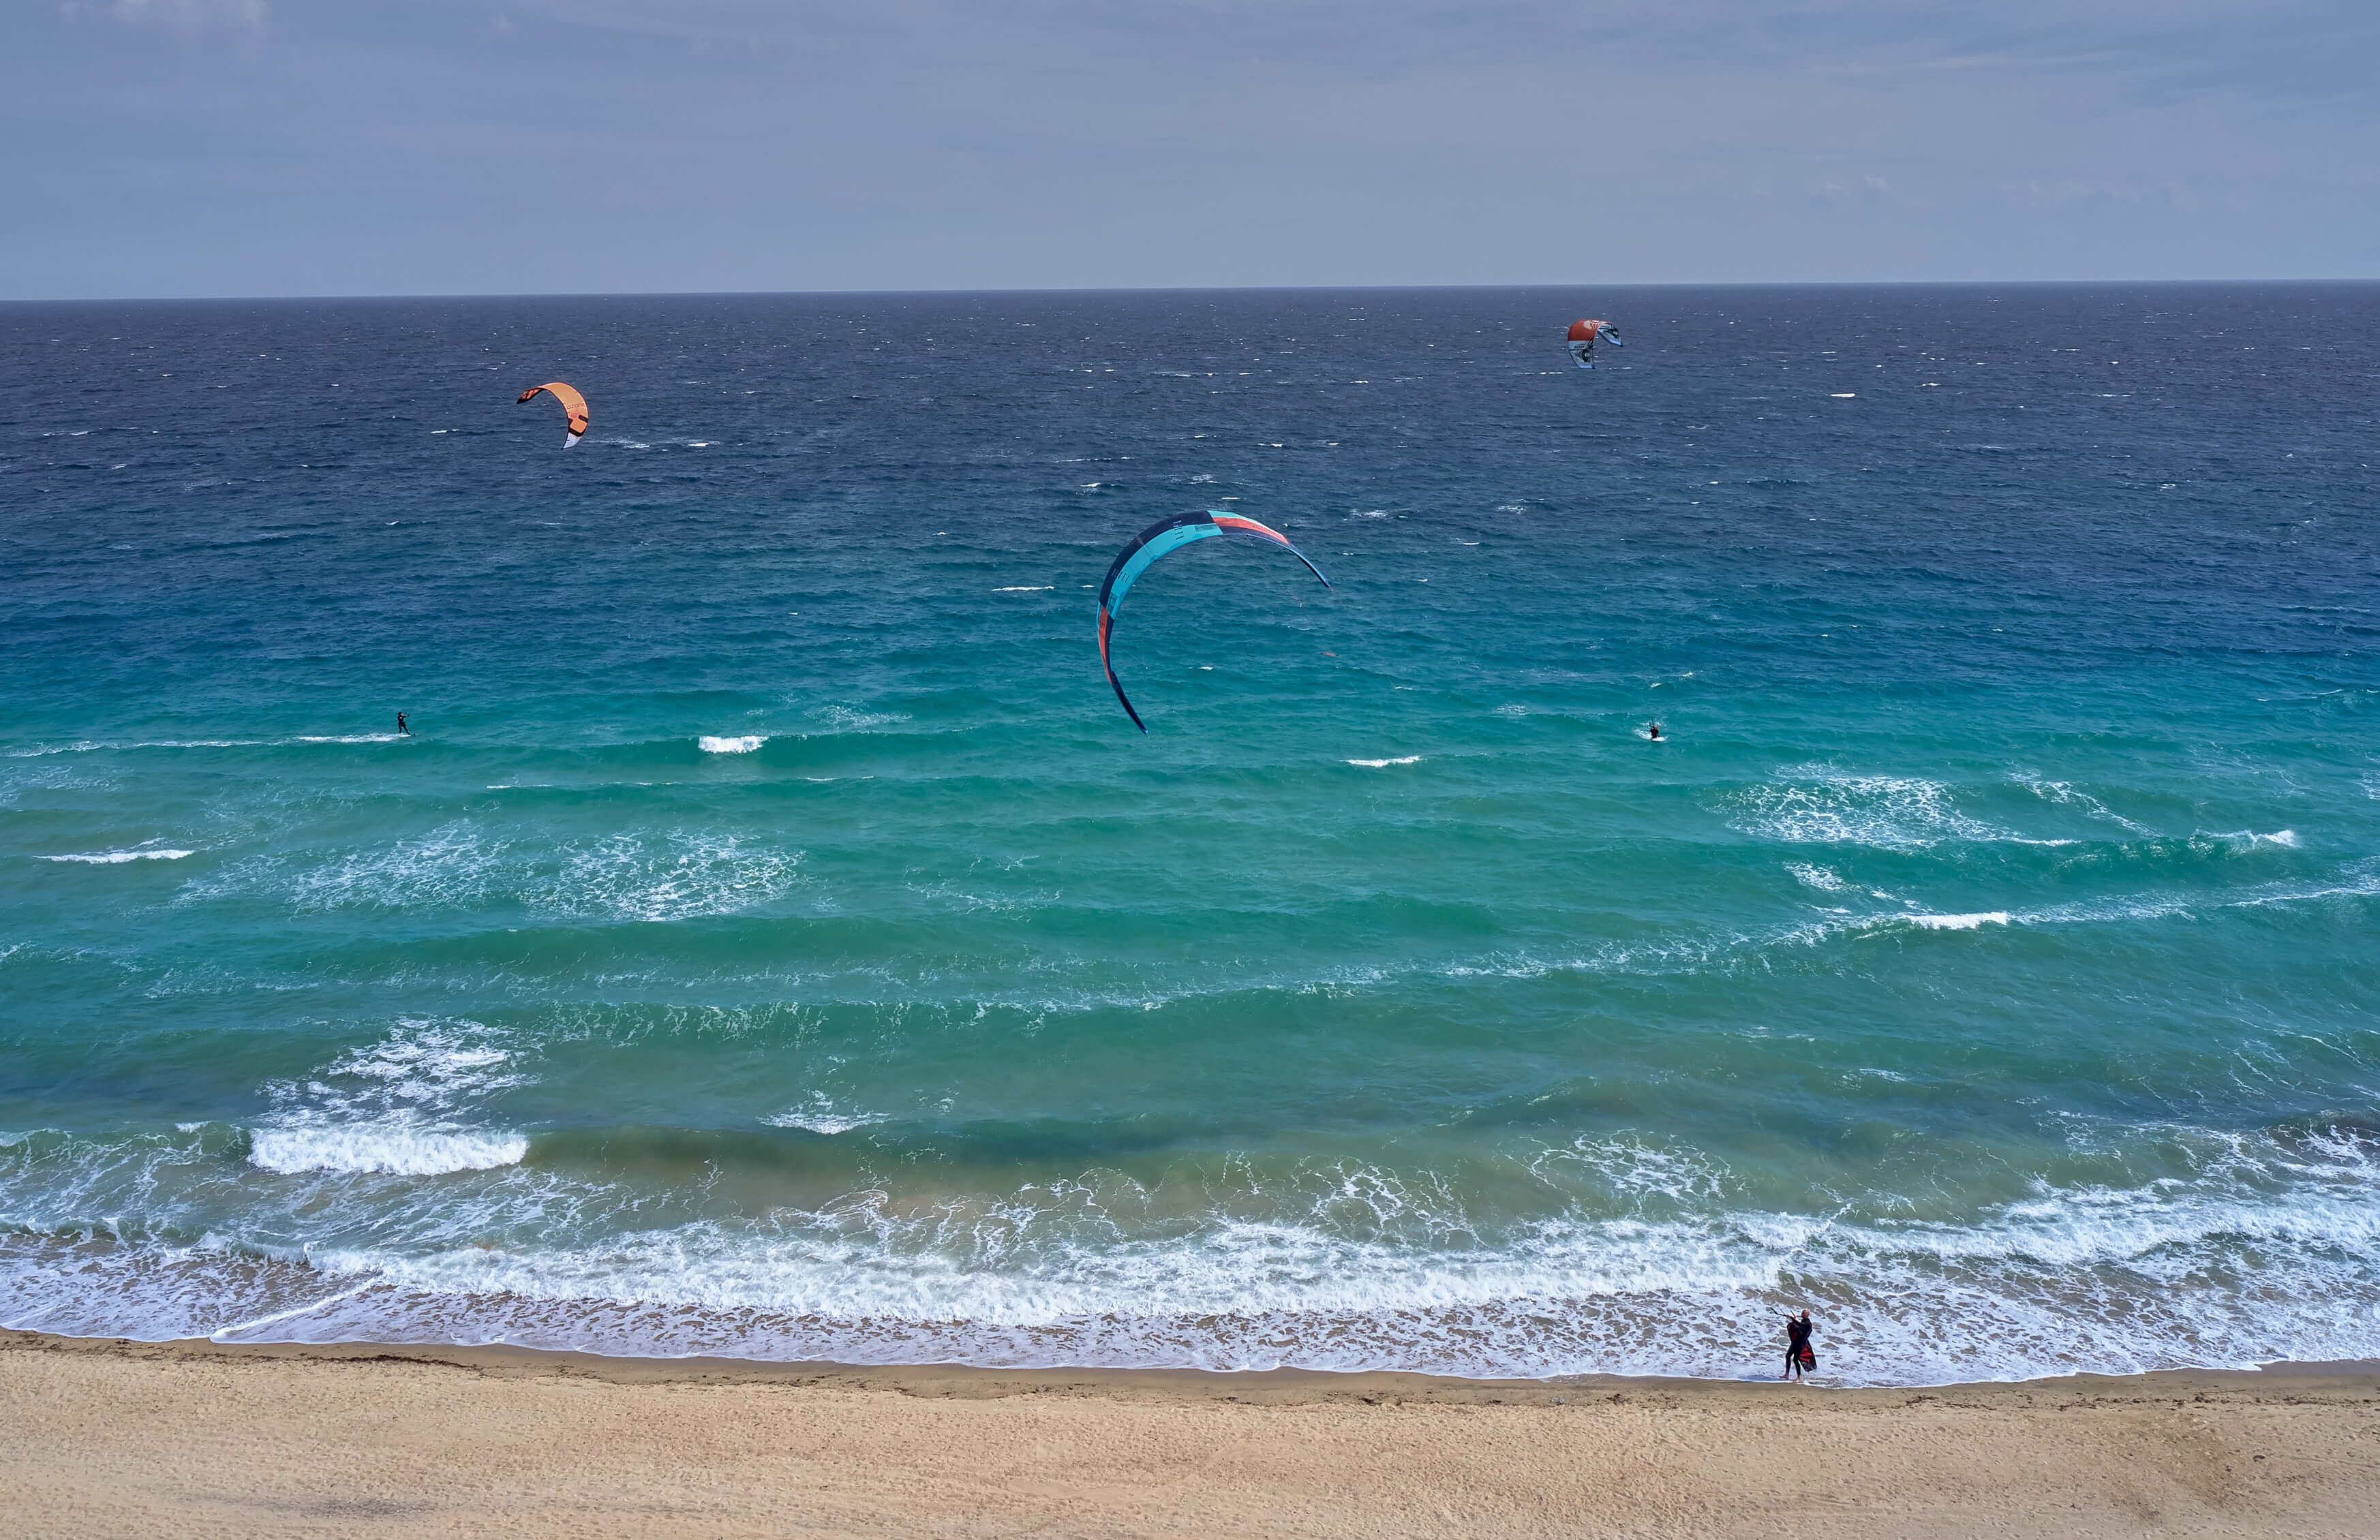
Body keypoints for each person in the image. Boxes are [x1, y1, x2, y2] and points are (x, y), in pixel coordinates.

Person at [1784, 1310, 1814, 1381]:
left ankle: (1799, 1377)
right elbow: (1797, 1325)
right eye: (1802, 1313)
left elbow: (1799, 1325)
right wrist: (1791, 1319)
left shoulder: (1808, 1324)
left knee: (1795, 1360)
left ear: (1808, 1315)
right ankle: (1786, 1375)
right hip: (1795, 1342)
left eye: (1804, 1313)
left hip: (1801, 1344)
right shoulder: (1803, 1321)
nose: (1802, 1314)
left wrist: (1792, 1318)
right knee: (1787, 1356)